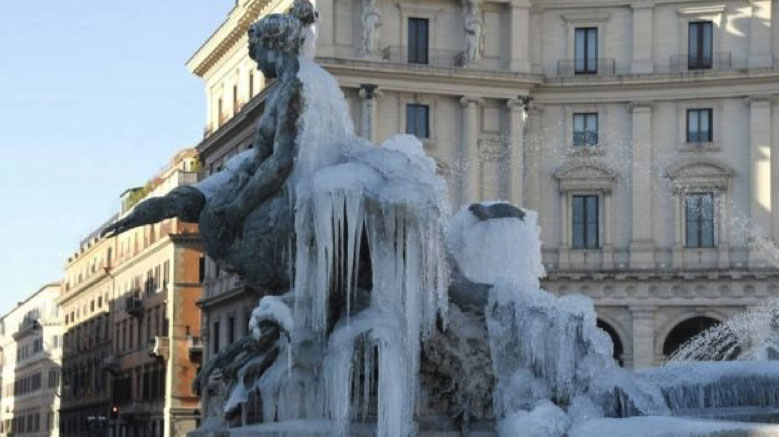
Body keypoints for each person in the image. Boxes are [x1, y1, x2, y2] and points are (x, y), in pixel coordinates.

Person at [102, 1, 318, 290]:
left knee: (221, 225)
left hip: (288, 194)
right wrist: (152, 210)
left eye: (256, 55)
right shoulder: (290, 88)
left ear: (272, 46)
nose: (256, 65)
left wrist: (238, 208)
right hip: (274, 188)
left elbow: (281, 161)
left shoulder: (291, 88)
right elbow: (244, 169)